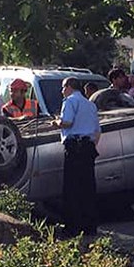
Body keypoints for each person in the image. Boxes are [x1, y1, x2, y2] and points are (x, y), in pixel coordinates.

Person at [53, 77, 101, 237]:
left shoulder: (70, 101)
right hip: (88, 147)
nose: (61, 91)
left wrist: (56, 123)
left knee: (72, 189)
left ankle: (72, 228)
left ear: (68, 87)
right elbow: (97, 130)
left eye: (63, 87)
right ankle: (90, 227)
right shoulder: (90, 104)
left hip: (74, 147)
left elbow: (67, 122)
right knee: (88, 188)